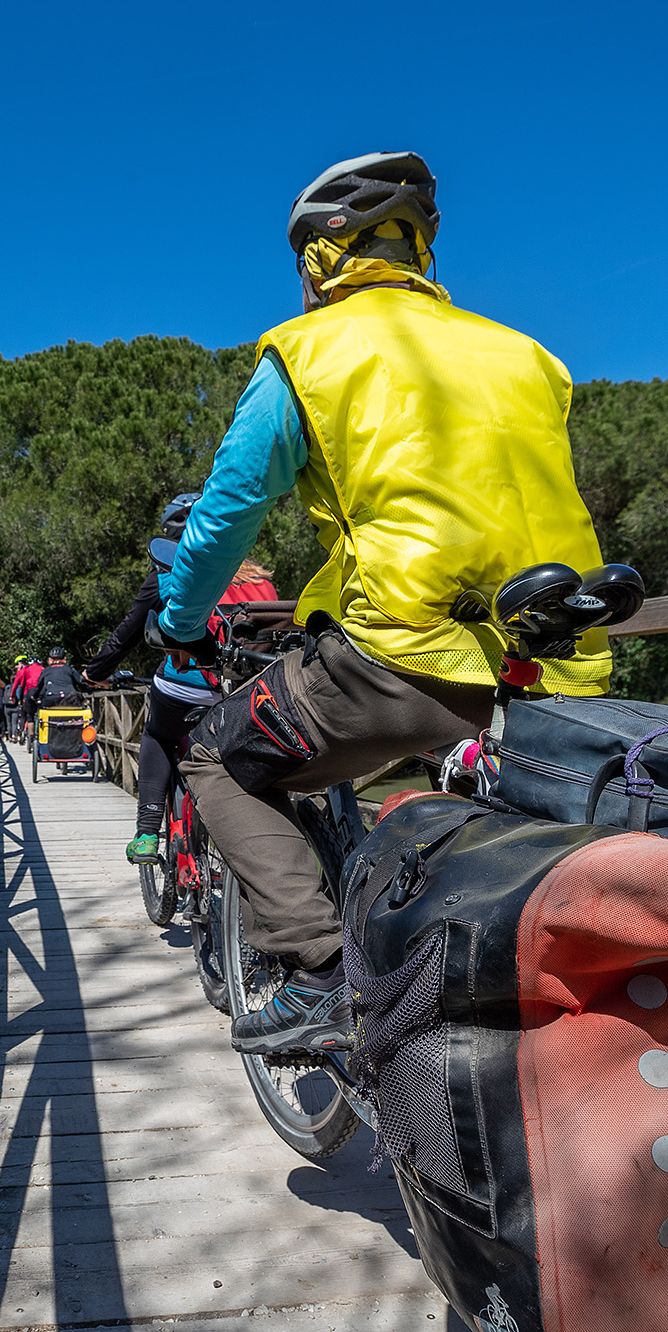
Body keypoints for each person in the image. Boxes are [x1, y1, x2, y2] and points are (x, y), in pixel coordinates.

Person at [153, 151, 609, 1058]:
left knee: (212, 752)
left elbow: (224, 518)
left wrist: (176, 619)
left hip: (403, 655)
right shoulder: (531, 358)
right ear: (418, 248)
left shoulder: (309, 354)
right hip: (556, 656)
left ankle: (321, 976)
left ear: (321, 261)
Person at [85, 496, 281, 863]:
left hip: (187, 685)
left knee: (158, 732)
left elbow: (128, 631)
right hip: (244, 692)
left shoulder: (170, 570)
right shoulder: (258, 578)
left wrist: (94, 674)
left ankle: (146, 832)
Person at [10, 654, 43, 739]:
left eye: (17, 664)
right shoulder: (43, 669)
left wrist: (14, 697)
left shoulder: (24, 671)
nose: (16, 666)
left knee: (29, 715)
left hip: (28, 694)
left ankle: (31, 737)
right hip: (41, 693)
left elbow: (19, 686)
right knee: (43, 712)